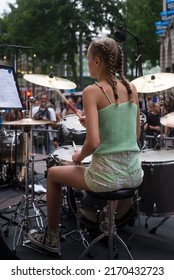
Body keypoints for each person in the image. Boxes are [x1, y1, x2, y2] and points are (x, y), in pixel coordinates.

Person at [28, 37, 144, 254]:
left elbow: (93, 142)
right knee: (114, 172)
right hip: (134, 174)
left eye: (89, 59)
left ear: (98, 61)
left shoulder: (92, 91)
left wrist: (79, 157)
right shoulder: (132, 89)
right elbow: (134, 134)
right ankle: (108, 223)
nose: (88, 63)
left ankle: (51, 238)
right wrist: (94, 121)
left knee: (53, 174)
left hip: (106, 178)